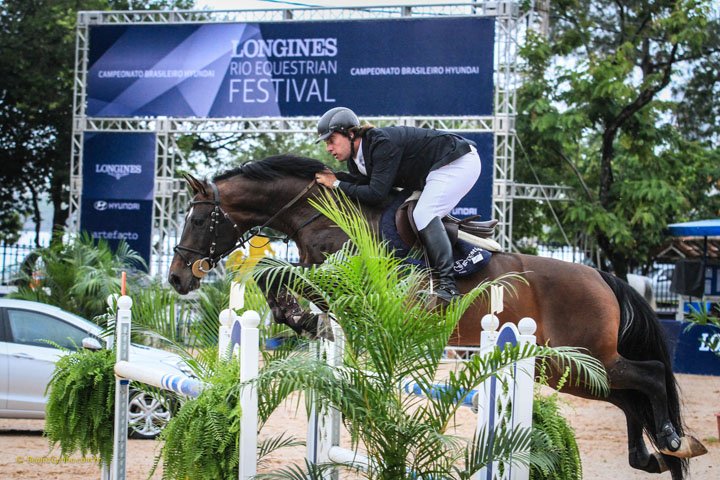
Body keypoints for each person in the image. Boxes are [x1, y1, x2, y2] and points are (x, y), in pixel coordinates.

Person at [313, 106, 481, 303]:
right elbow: (361, 184)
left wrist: (338, 183)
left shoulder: (380, 143)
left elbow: (376, 193)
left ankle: (449, 287)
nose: (328, 148)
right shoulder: (356, 160)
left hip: (456, 162)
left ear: (350, 133)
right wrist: (333, 178)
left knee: (424, 214)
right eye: (326, 143)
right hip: (433, 170)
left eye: (331, 140)